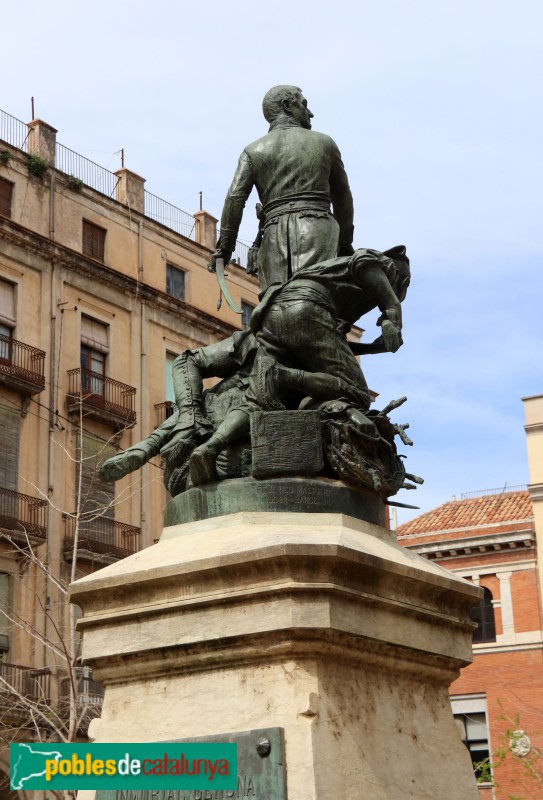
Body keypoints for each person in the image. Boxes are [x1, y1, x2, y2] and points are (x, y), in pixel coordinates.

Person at [188, 246, 410, 485]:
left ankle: (211, 447)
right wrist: (392, 306)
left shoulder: (338, 281)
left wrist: (375, 347)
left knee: (255, 402)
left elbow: (328, 347)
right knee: (356, 393)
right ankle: (285, 375)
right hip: (307, 308)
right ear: (403, 280)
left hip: (274, 316)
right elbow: (364, 261)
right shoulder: (387, 265)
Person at [211, 85, 355, 290]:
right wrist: (345, 242)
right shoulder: (325, 143)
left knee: (274, 298)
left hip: (273, 237)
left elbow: (234, 199)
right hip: (318, 231)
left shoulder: (253, 151)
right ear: (287, 106)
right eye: (304, 105)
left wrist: (224, 249)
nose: (310, 113)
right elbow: (343, 197)